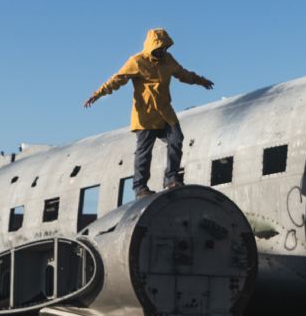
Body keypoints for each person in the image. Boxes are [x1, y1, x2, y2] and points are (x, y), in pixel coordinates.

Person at [84, 28, 213, 199]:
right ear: (152, 46)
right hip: (145, 116)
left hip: (165, 112)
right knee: (144, 151)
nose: (163, 51)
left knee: (176, 139)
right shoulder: (137, 61)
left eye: (165, 48)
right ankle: (140, 187)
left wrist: (200, 80)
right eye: (160, 48)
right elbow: (117, 79)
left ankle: (172, 178)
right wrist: (97, 94)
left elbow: (182, 74)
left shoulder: (168, 60)